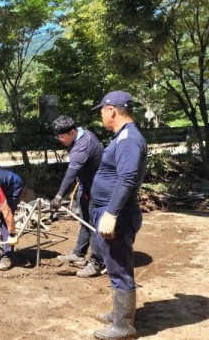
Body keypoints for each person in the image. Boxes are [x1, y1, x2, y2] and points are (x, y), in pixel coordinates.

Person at [90, 91, 147, 340]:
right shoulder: (123, 137)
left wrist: (111, 213)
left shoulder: (128, 140)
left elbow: (127, 177)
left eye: (102, 110)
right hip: (111, 210)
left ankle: (124, 326)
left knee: (120, 266)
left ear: (111, 110)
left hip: (118, 213)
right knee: (115, 263)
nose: (102, 115)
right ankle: (119, 313)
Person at [50, 116, 105, 278]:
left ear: (73, 132)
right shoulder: (81, 135)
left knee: (94, 223)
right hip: (85, 183)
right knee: (84, 220)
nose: (59, 140)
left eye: (61, 136)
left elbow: (70, 175)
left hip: (96, 186)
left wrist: (59, 196)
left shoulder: (82, 145)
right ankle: (79, 253)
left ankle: (97, 261)